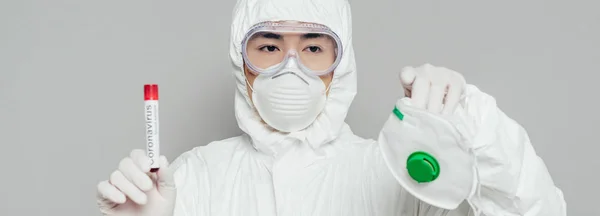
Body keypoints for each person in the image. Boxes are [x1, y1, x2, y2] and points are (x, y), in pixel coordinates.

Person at [96, 0, 567, 215]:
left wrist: (476, 125)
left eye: (314, 49)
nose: (290, 68)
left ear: (340, 66)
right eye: (269, 47)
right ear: (242, 63)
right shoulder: (195, 180)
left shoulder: (395, 174)